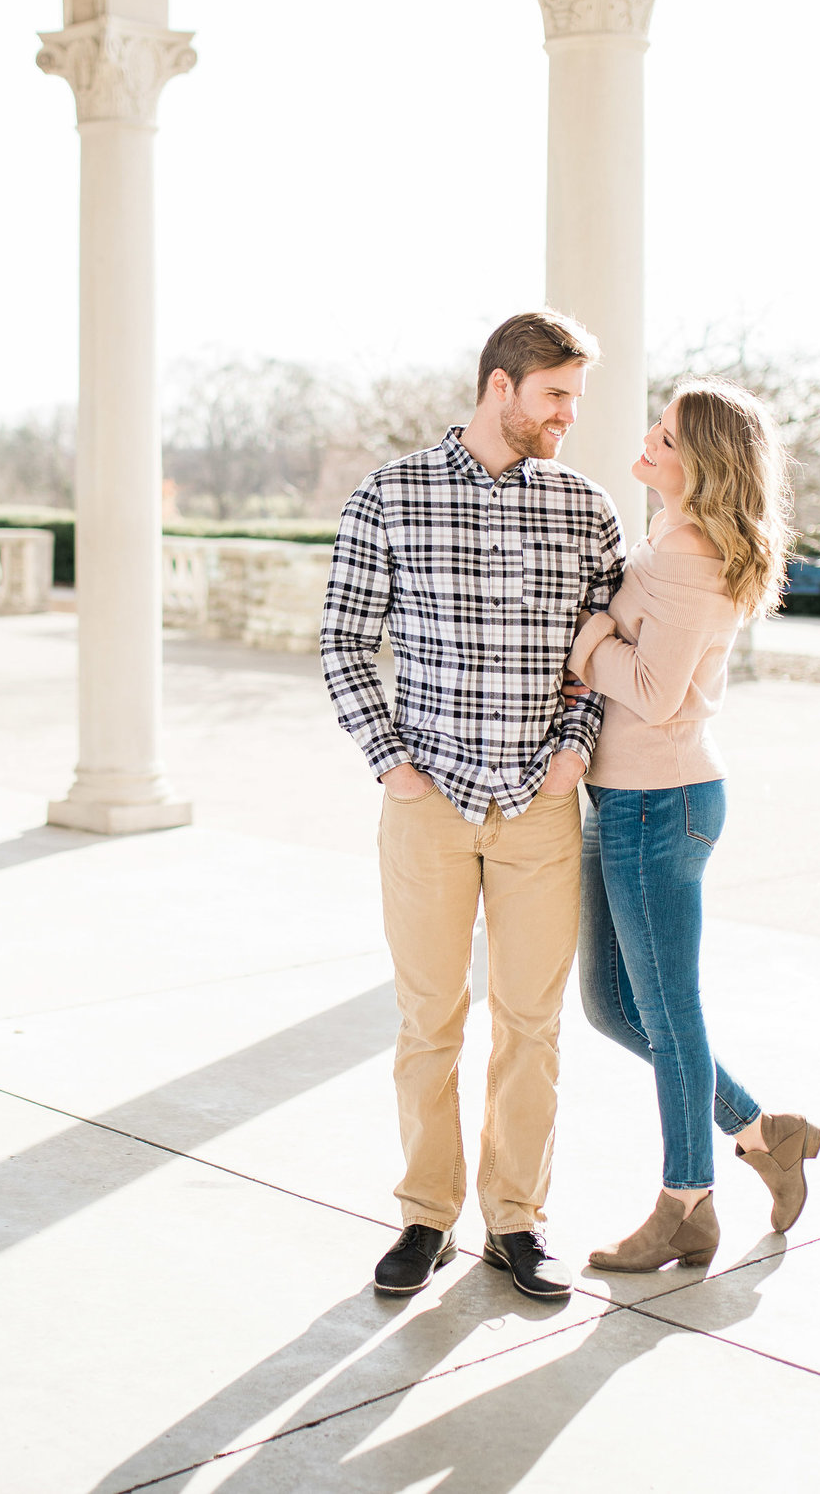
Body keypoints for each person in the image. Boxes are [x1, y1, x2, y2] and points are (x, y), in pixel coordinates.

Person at [320, 310, 625, 1302]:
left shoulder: (586, 508)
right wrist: (392, 764)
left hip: (539, 805)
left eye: (573, 397)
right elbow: (340, 641)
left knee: (531, 1022)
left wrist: (573, 753)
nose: (568, 416)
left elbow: (606, 657)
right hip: (427, 802)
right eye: (555, 396)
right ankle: (423, 1214)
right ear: (501, 386)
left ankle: (515, 1220)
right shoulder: (390, 494)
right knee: (428, 1017)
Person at [564, 381, 820, 1273]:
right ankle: (764, 1131)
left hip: (656, 803)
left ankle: (686, 1203)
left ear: (702, 464)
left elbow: (650, 689)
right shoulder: (675, 541)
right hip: (626, 799)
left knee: (671, 1017)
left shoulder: (688, 553)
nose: (647, 437)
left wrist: (588, 641)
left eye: (666, 436)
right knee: (613, 1007)